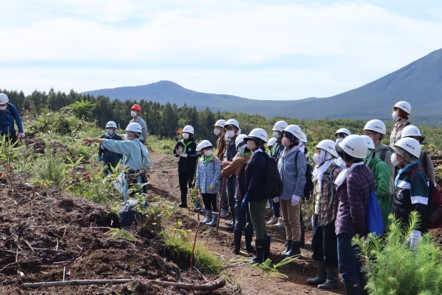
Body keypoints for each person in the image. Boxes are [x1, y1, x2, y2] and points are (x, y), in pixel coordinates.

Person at [82, 122, 152, 227]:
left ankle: (128, 225)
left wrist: (96, 140)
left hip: (132, 177)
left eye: (128, 133)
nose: (126, 135)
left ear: (132, 134)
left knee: (130, 202)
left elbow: (115, 144)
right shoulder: (141, 146)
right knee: (140, 200)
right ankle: (143, 222)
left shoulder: (131, 144)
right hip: (140, 177)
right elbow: (148, 164)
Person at [334, 135, 375, 294]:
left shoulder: (351, 177)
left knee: (347, 271)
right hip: (358, 229)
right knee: (359, 269)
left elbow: (355, 209)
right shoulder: (366, 171)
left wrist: (359, 232)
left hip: (348, 229)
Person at [307, 139, 342, 290]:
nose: (316, 154)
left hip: (330, 216)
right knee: (317, 245)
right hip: (318, 214)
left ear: (327, 153)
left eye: (319, 151)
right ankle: (320, 275)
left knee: (329, 247)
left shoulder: (335, 171)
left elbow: (340, 195)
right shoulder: (318, 169)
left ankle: (331, 279)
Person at [391, 137, 429, 247]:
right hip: (398, 229)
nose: (394, 155)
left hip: (408, 231)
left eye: (397, 153)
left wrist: (415, 232)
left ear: (406, 156)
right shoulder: (403, 172)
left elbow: (420, 205)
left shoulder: (417, 175)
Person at [222, 134, 254, 254]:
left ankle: (236, 248)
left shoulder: (239, 161)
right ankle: (249, 247)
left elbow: (225, 172)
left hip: (240, 194)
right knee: (249, 221)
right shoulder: (254, 158)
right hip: (251, 195)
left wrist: (227, 163)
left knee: (239, 221)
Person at [277, 124, 306, 257]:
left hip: (292, 193)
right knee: (286, 220)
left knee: (294, 221)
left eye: (286, 136)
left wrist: (297, 193)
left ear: (293, 138)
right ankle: (288, 244)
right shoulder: (283, 152)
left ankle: (295, 247)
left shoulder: (298, 154)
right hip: (282, 193)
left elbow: (301, 176)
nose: (284, 139)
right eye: (283, 136)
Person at [242, 128, 270, 263]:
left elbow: (255, 179)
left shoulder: (259, 157)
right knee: (261, 225)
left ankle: (260, 256)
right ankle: (266, 254)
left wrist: (248, 194)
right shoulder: (258, 155)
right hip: (258, 195)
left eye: (250, 140)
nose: (247, 143)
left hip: (257, 197)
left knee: (258, 226)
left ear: (257, 142)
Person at [361, 135, 392, 225]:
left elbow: (383, 189)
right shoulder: (366, 166)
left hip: (379, 211)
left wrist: (366, 188)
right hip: (371, 209)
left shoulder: (379, 166)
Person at [195, 140, 221, 227]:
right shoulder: (200, 160)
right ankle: (208, 217)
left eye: (209, 148)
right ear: (202, 151)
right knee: (206, 202)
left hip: (212, 187)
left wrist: (213, 184)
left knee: (214, 203)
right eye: (205, 149)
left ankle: (214, 220)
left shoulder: (215, 159)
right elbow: (198, 174)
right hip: (203, 186)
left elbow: (217, 172)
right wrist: (197, 184)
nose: (208, 150)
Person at [267, 120, 287, 227]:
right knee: (273, 195)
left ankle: (281, 218)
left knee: (280, 196)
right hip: (273, 171)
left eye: (277, 131)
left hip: (279, 173)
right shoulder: (275, 144)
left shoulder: (283, 145)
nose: (275, 133)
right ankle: (275, 215)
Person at [173, 125, 198, 208]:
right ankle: (183, 202)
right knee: (182, 185)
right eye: (184, 133)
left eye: (187, 133)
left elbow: (196, 155)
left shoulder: (194, 144)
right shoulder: (180, 143)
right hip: (181, 168)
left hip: (191, 168)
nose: (185, 134)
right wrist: (177, 153)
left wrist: (187, 155)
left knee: (192, 185)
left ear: (191, 134)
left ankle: (195, 203)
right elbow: (174, 153)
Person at [223, 119, 240, 229]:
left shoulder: (239, 143)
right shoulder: (229, 142)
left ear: (236, 129)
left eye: (231, 128)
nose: (228, 131)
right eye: (227, 129)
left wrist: (227, 164)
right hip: (230, 174)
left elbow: (238, 161)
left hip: (236, 176)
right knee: (231, 199)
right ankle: (234, 220)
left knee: (235, 199)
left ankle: (238, 222)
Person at [214, 119, 229, 219]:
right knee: (219, 187)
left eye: (217, 128)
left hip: (224, 166)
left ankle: (224, 208)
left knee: (222, 188)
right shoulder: (220, 139)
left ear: (223, 129)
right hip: (219, 164)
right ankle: (222, 206)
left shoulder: (226, 140)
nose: (215, 129)